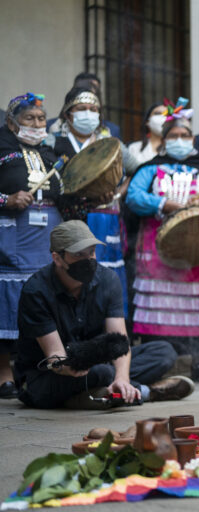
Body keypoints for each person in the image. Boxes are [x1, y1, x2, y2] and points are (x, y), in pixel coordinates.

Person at [14, 220, 193, 409]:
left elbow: (120, 342)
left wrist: (122, 378)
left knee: (164, 352)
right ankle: (146, 392)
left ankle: (107, 392)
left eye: (91, 252)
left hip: (95, 363)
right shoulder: (36, 291)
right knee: (103, 372)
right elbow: (55, 359)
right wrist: (81, 365)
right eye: (79, 254)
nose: (88, 259)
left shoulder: (108, 280)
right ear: (57, 258)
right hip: (47, 375)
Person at [126, 105, 199, 382]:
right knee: (159, 303)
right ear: (165, 139)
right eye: (175, 135)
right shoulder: (151, 169)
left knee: (197, 304)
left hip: (198, 250)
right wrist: (162, 203)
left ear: (193, 140)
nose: (180, 139)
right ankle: (158, 360)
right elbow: (134, 196)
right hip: (158, 248)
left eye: (185, 135)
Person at [49, 86, 133, 317]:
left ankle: (110, 327)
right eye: (81, 109)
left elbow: (137, 169)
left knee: (105, 274)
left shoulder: (111, 144)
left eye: (93, 109)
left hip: (104, 218)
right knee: (72, 273)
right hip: (67, 218)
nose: (88, 113)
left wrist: (116, 194)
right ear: (68, 114)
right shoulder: (52, 143)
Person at [0, 93, 63, 399]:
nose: (37, 124)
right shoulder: (2, 149)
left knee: (42, 301)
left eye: (41, 119)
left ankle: (36, 369)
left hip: (46, 237)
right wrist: (6, 200)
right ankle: (4, 374)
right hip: (13, 237)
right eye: (29, 119)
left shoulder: (51, 155)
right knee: (9, 304)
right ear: (12, 123)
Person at [47, 72, 121, 140]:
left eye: (95, 91)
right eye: (83, 90)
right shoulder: (52, 128)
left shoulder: (111, 131)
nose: (89, 96)